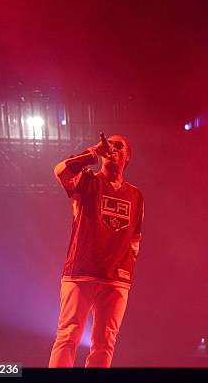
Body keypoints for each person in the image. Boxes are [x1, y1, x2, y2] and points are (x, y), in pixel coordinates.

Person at [48, 134, 144, 368]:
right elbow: (61, 171)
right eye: (108, 144)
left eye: (118, 145)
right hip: (81, 272)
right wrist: (91, 152)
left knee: (105, 342)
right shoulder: (87, 181)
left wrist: (127, 267)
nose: (111, 148)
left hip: (116, 280)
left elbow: (135, 237)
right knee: (68, 335)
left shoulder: (136, 195)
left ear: (127, 157)